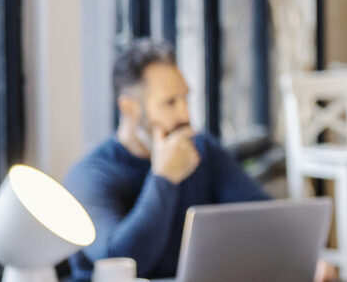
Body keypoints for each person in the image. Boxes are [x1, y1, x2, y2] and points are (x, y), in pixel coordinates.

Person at [65, 39, 270, 281]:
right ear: (129, 108)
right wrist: (164, 179)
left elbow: (264, 219)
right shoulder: (90, 175)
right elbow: (118, 263)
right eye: (170, 103)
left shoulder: (203, 150)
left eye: (185, 99)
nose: (185, 115)